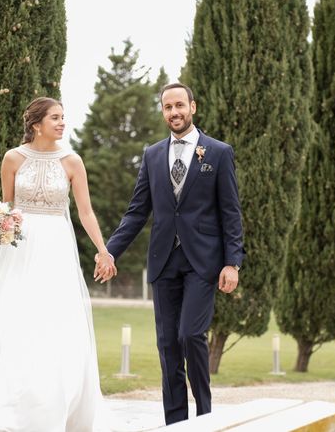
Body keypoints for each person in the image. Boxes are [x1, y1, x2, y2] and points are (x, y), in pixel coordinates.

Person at [99, 82, 245, 425]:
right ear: (163, 111)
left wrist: (232, 262)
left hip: (203, 262)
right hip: (163, 261)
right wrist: (110, 252)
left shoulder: (219, 153)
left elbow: (231, 213)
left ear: (192, 107)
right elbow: (137, 211)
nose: (174, 112)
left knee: (191, 335)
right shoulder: (151, 155)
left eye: (180, 105)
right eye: (168, 107)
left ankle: (205, 416)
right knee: (167, 345)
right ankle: (176, 422)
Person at [0, 97, 117, 432]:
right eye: (55, 118)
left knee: (54, 323)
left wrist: (103, 250)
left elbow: (85, 211)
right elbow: (6, 206)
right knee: (16, 322)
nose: (62, 123)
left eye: (64, 117)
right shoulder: (12, 158)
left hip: (55, 248)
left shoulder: (72, 161)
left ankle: (57, 404)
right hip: (18, 250)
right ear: (37, 124)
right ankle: (12, 406)